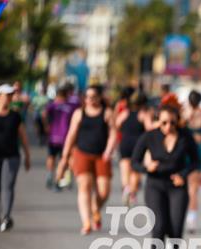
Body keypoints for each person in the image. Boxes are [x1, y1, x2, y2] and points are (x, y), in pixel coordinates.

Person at [131, 104, 200, 249]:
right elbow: (134, 161)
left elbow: (196, 161)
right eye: (163, 123)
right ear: (158, 122)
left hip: (177, 186)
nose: (168, 126)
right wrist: (147, 168)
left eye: (172, 122)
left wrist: (183, 175)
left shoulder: (185, 136)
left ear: (177, 121)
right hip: (155, 185)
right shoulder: (149, 136)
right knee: (159, 226)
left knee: (176, 226)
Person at [56, 84, 117, 234]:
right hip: (82, 153)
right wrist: (65, 157)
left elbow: (113, 134)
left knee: (104, 191)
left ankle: (95, 208)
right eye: (87, 97)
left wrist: (108, 151)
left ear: (100, 97)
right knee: (84, 187)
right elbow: (71, 135)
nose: (90, 100)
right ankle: (86, 222)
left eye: (93, 97)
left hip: (102, 155)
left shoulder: (107, 113)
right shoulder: (79, 113)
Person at [0, 84, 31, 232]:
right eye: (7, 95)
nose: (9, 97)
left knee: (8, 186)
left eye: (11, 95)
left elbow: (23, 137)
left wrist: (27, 156)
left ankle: (6, 217)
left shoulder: (15, 116)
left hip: (11, 156)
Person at [116, 91, 152, 206]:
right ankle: (132, 193)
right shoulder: (143, 114)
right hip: (138, 145)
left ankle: (126, 188)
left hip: (125, 142)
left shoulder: (125, 113)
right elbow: (149, 129)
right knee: (135, 171)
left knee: (124, 169)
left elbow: (117, 124)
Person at [42, 84, 78, 190]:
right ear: (66, 95)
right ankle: (64, 178)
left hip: (53, 136)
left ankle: (50, 175)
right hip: (65, 137)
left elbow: (43, 114)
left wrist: (46, 126)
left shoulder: (52, 105)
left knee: (51, 156)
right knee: (65, 158)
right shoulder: (70, 107)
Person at [183, 90, 201, 233]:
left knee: (180, 188)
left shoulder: (184, 114)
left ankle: (179, 215)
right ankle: (191, 219)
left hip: (182, 152)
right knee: (193, 190)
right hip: (197, 153)